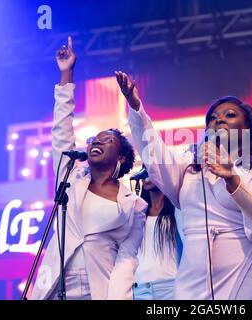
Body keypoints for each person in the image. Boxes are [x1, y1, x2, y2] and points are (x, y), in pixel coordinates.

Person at [115, 71, 252, 300]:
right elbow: (155, 156)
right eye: (212, 117)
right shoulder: (190, 160)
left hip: (249, 267)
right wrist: (135, 106)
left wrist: (231, 174)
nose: (218, 119)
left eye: (230, 115)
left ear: (247, 125)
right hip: (196, 273)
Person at [30, 37, 147, 300]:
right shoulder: (70, 177)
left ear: (120, 158)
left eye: (108, 141)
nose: (97, 141)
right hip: (55, 283)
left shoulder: (134, 206)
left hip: (97, 290)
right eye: (94, 138)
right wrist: (66, 74)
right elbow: (61, 130)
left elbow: (126, 261)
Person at [133, 170, 183, 300]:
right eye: (144, 168)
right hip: (140, 288)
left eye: (151, 168)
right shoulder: (137, 213)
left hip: (169, 287)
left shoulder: (176, 209)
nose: (146, 173)